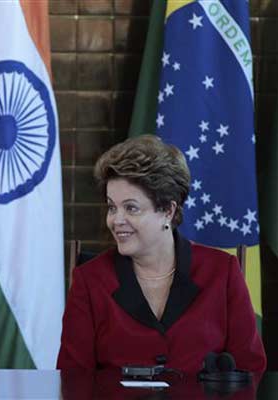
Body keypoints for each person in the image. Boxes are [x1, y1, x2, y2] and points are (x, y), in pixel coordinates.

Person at [57, 135, 266, 373]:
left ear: (168, 210)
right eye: (112, 207)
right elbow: (72, 378)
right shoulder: (89, 280)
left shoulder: (222, 272)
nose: (116, 220)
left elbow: (250, 369)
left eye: (131, 208)